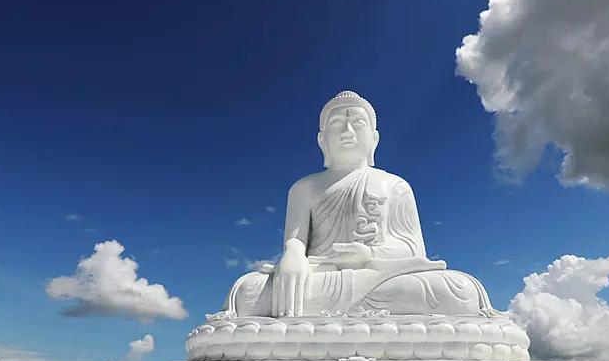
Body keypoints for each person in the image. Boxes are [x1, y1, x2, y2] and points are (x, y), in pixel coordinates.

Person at [215, 91, 504, 319]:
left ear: (374, 139)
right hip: (319, 279)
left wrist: (367, 254)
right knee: (249, 292)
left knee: (456, 290)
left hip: (380, 279)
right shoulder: (304, 188)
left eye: (358, 123)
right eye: (337, 124)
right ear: (321, 140)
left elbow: (414, 251)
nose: (348, 131)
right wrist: (292, 257)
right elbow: (296, 241)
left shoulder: (395, 185)